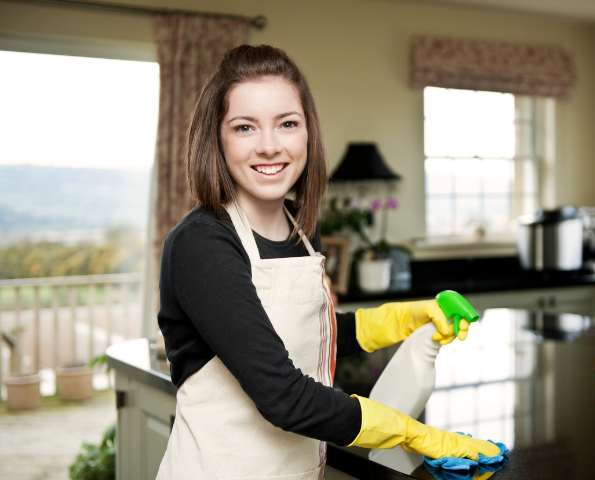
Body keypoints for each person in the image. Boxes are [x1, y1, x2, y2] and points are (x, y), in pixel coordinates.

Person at [155, 44, 500, 480]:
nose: (269, 146)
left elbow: (314, 336)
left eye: (287, 124)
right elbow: (282, 394)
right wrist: (412, 434)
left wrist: (405, 319)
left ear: (307, 133)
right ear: (217, 138)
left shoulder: (301, 226)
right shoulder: (201, 243)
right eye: (245, 127)